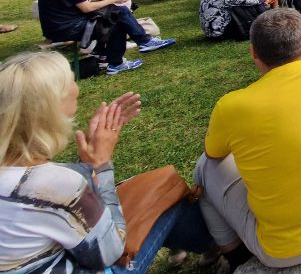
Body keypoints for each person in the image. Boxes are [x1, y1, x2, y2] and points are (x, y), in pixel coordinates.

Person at [0, 53, 213, 274]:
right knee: (166, 189)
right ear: (51, 106)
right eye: (70, 79)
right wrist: (100, 167)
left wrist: (85, 166)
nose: (76, 84)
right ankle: (223, 248)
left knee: (146, 188)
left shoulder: (22, 175)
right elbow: (110, 252)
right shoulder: (54, 184)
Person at [193, 9, 301, 269]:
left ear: (253, 52)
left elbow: (214, 154)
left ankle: (235, 257)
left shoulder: (232, 106)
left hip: (291, 247)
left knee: (204, 168)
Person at [37, 0, 175, 75]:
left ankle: (117, 58)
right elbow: (86, 7)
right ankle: (137, 47)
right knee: (117, 15)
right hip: (67, 29)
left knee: (116, 17)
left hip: (60, 27)